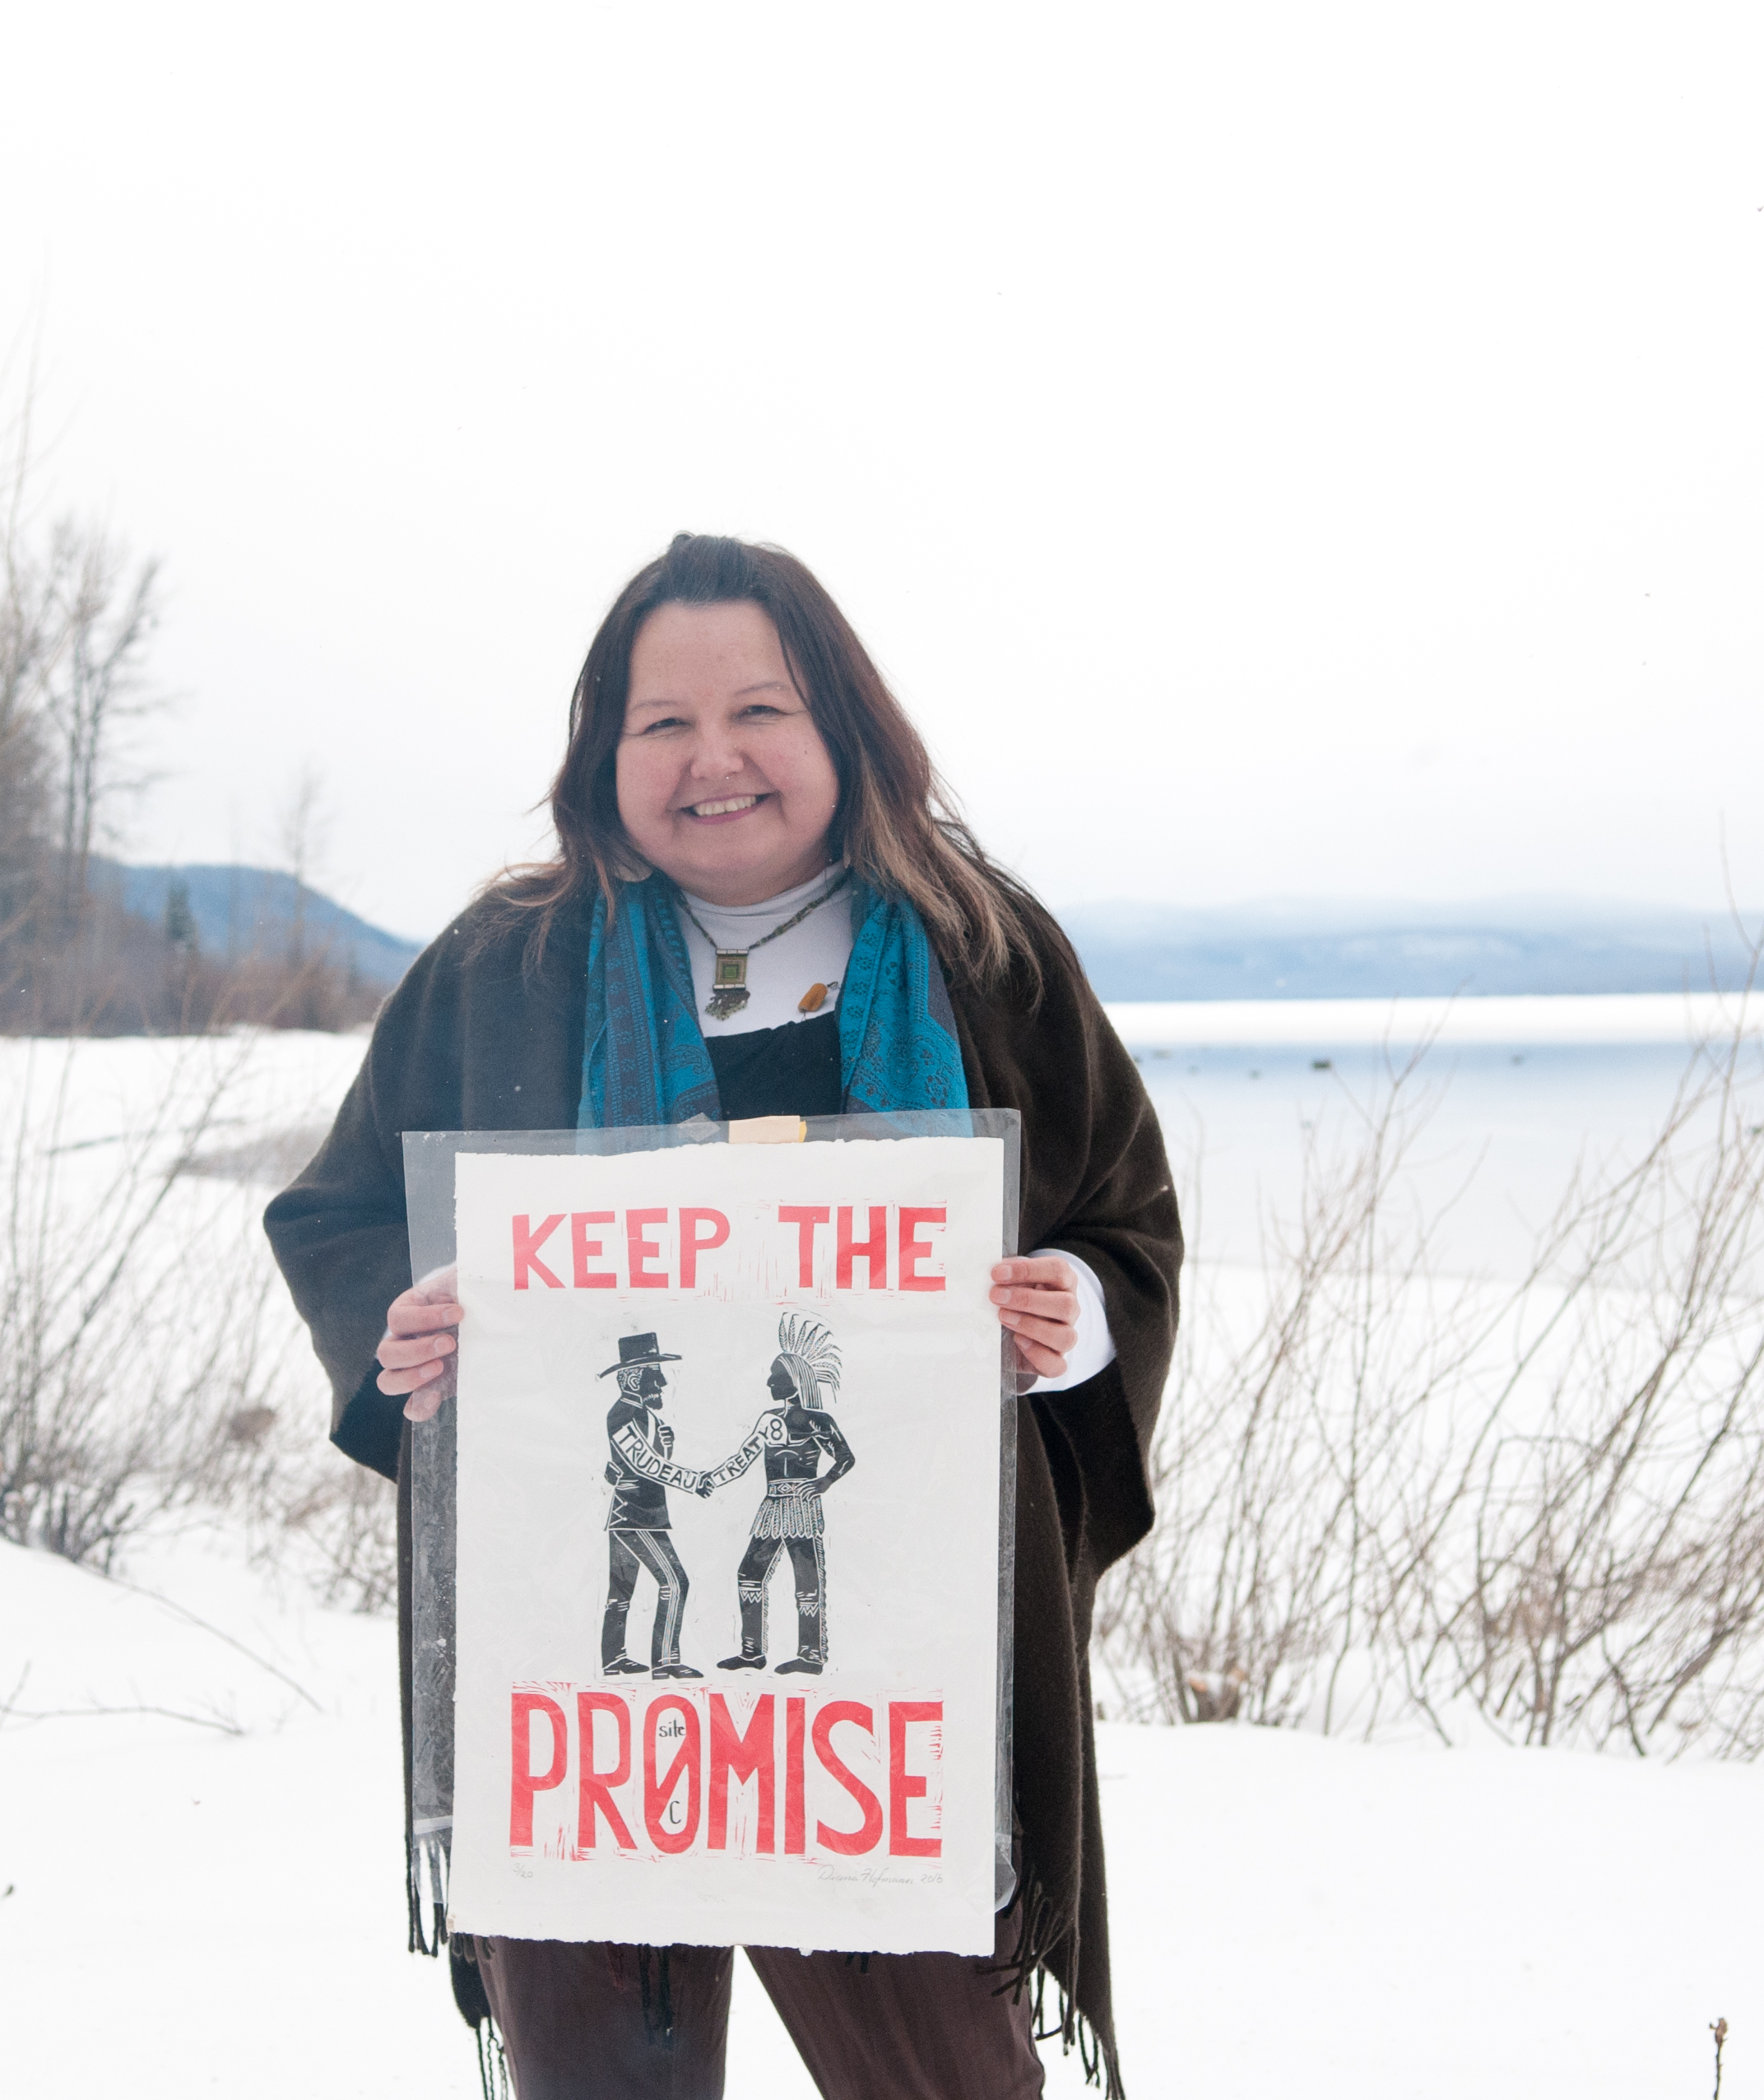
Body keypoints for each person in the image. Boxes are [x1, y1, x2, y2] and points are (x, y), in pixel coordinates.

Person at [265, 533, 1178, 2098]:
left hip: (902, 1674)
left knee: (942, 2077)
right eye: (660, 724)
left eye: (758, 710)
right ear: (600, 755)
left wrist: (1072, 1313)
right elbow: (339, 1215)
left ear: (841, 730)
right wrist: (394, 1329)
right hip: (577, 1675)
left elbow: (1126, 1220)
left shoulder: (982, 951)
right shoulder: (508, 964)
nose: (713, 759)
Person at [593, 1331, 758, 1677]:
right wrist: (693, 1480)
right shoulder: (622, 1415)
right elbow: (645, 1465)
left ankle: (613, 1660)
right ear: (634, 1377)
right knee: (674, 1582)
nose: (663, 1382)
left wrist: (663, 1448)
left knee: (622, 1590)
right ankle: (665, 1662)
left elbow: (645, 1463)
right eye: (655, 1374)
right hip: (636, 1515)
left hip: (638, 1513)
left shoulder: (641, 1416)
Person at [726, 1311, 856, 1675]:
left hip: (801, 1505)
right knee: (749, 1573)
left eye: (777, 1376)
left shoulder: (818, 1419)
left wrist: (825, 1482)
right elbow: (744, 1457)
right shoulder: (770, 1418)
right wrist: (709, 1479)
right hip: (772, 1505)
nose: (770, 1382)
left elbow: (846, 1457)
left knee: (807, 1581)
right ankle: (752, 1651)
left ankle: (810, 1655)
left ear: (795, 1381)